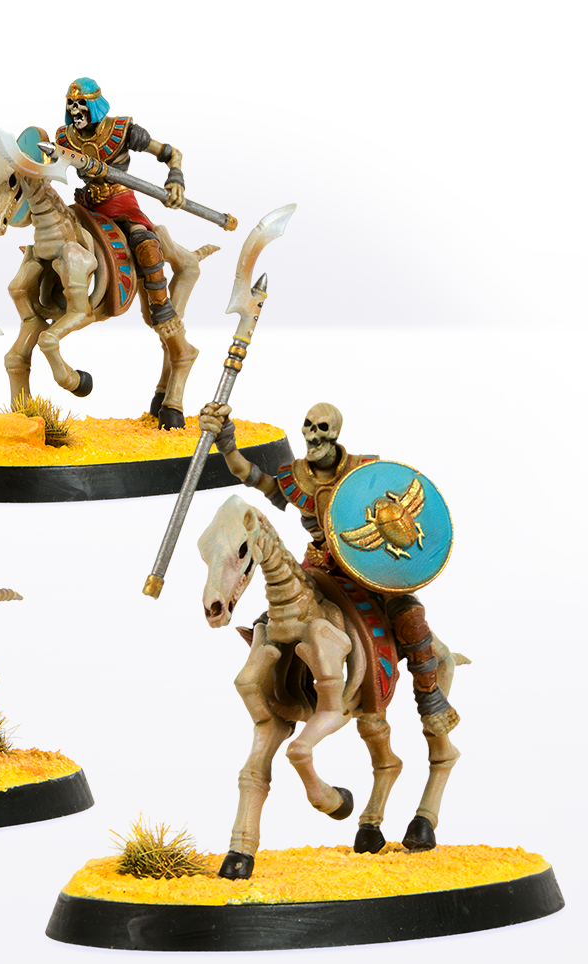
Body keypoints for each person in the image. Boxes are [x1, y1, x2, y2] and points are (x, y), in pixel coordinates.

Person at [199, 399, 459, 736]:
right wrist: (226, 441)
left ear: (335, 432)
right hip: (319, 565)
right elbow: (248, 474)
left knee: (410, 620)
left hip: (368, 570)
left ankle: (430, 698)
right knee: (274, 613)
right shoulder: (296, 478)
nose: (313, 436)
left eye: (321, 428)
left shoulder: (364, 472)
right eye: (308, 427)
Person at [56, 77, 185, 328]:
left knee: (145, 243)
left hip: (121, 201)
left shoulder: (124, 131)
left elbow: (172, 154)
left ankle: (162, 307)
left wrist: (176, 179)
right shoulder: (64, 138)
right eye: (70, 103)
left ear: (95, 105)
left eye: (81, 104)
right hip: (87, 202)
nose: (74, 110)